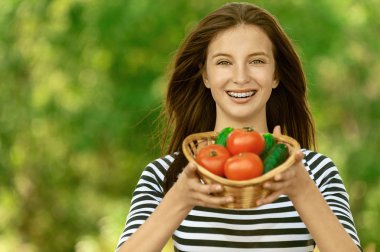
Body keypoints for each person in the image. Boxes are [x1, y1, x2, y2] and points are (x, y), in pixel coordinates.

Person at [116, 2, 362, 251]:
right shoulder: (165, 175)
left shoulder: (316, 172)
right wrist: (179, 199)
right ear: (206, 76)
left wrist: (302, 192)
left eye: (256, 61)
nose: (241, 77)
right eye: (224, 62)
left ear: (276, 75)